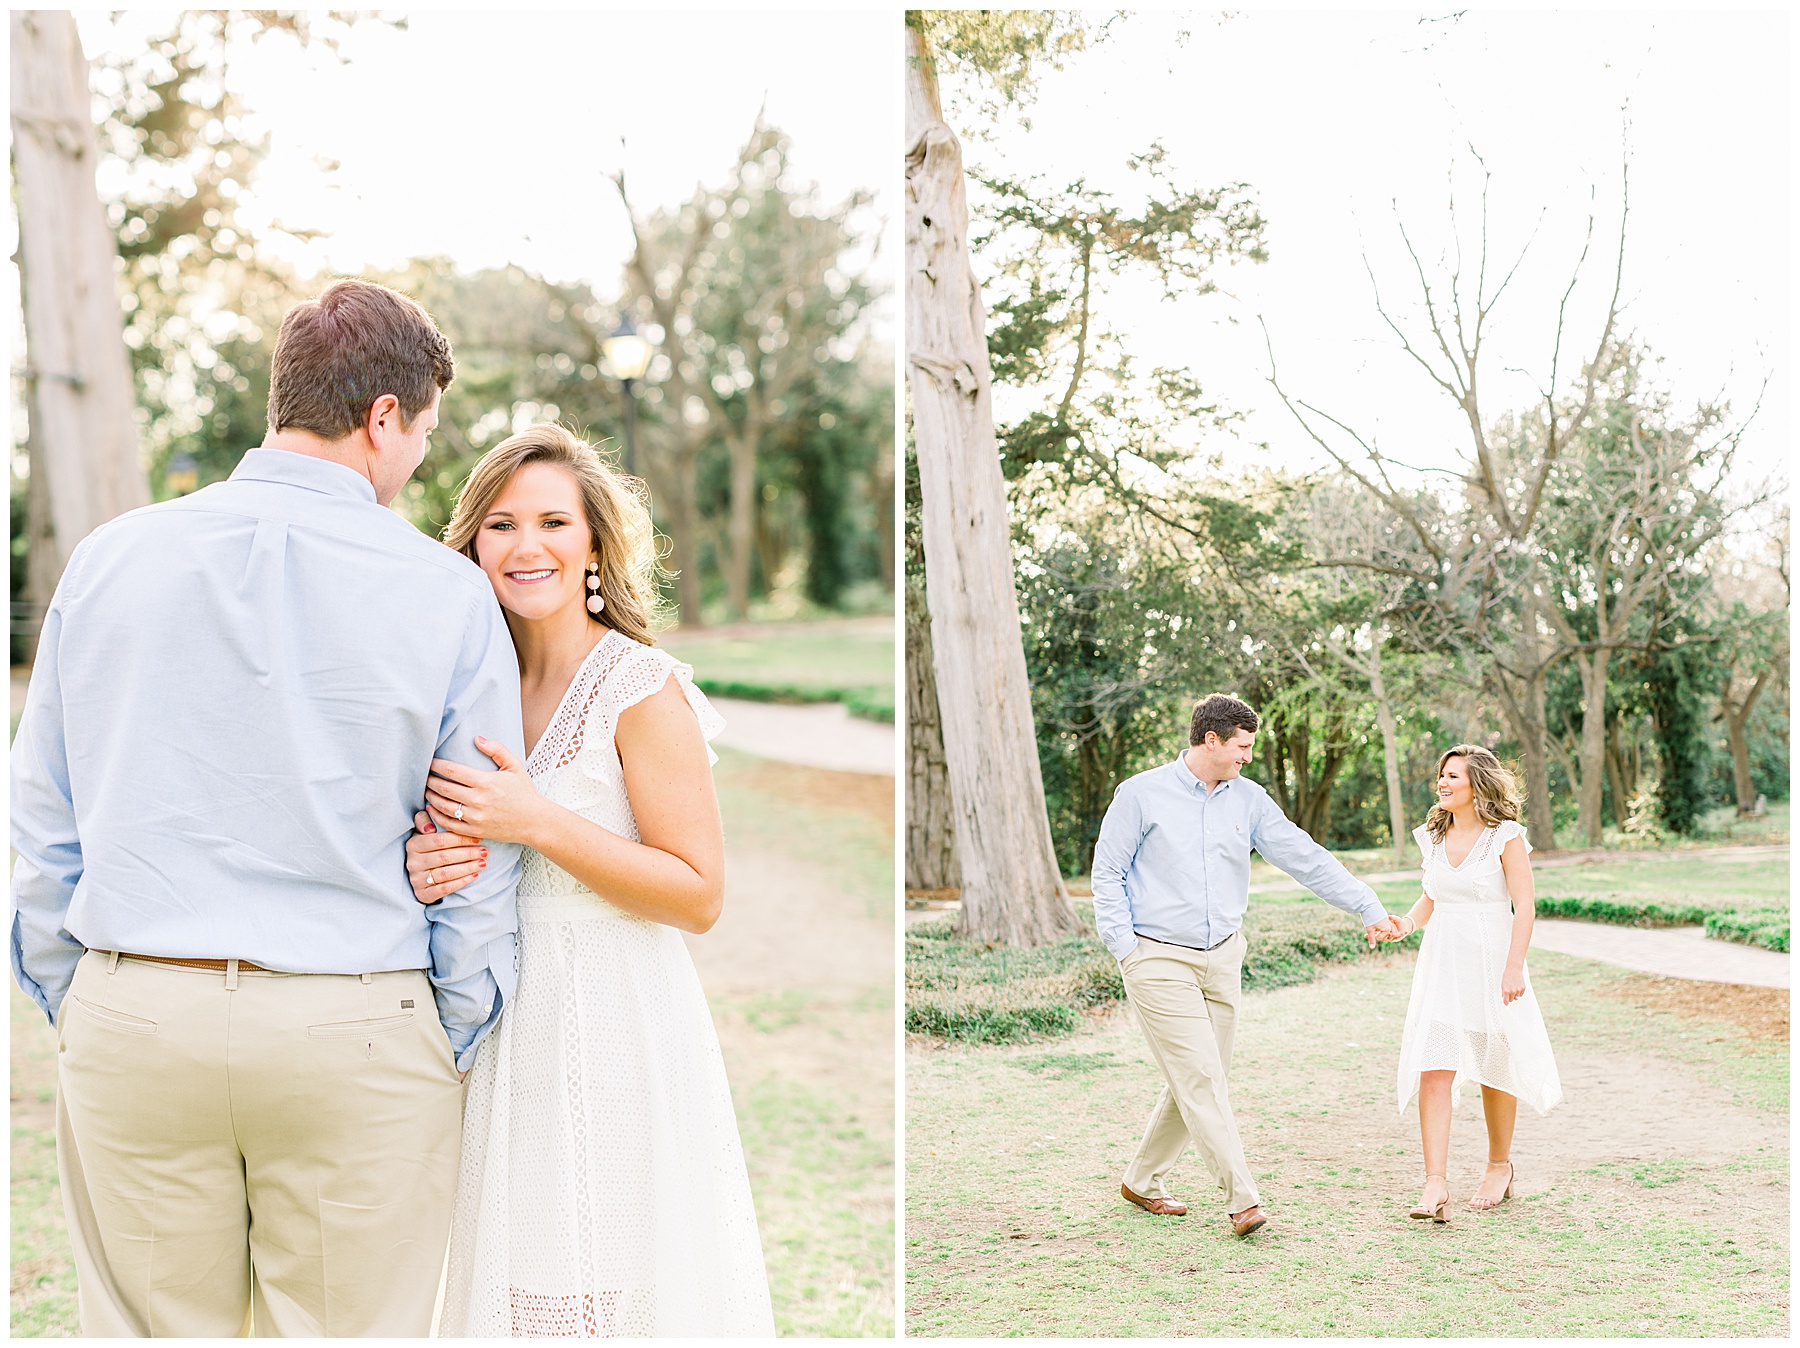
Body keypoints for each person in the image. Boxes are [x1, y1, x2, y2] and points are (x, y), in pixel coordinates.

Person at [9, 278, 524, 1336]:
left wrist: (84, 996)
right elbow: (474, 831)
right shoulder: (446, 591)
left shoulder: (108, 561)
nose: (420, 456)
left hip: (138, 1011)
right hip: (358, 1026)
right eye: (422, 431)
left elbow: (39, 821)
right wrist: (454, 1023)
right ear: (384, 417)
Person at [405, 423, 775, 1337]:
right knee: (516, 1282)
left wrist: (538, 821)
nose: (526, 546)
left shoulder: (638, 686)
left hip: (609, 1014)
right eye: (499, 525)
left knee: (601, 1282)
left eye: (552, 522)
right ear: (471, 545)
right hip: (492, 1022)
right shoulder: (459, 683)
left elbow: (698, 893)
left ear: (595, 545)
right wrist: (429, 860)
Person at [1090, 693, 1403, 1238]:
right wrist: (1126, 950)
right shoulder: (1141, 795)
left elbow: (1302, 856)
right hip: (1157, 957)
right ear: (1211, 740)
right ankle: (1242, 1200)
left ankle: (1142, 1179)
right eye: (1242, 746)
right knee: (1203, 1079)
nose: (1247, 757)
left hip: (1224, 957)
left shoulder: (1249, 799)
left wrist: (1366, 905)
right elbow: (1107, 872)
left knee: (1201, 1078)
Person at [1380, 744, 1562, 1220]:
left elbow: (1524, 905)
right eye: (1441, 775)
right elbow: (1430, 899)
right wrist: (1404, 924)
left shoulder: (1506, 837)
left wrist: (1513, 967)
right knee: (1434, 1065)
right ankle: (1434, 1184)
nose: (1442, 783)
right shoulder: (1433, 836)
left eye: (1453, 776)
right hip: (1442, 963)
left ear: (1477, 784)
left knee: (1493, 1066)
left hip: (1492, 961)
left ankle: (1499, 1166)